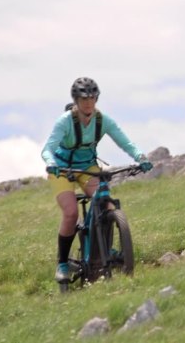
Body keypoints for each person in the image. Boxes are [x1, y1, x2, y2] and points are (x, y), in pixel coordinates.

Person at [41, 77, 153, 283]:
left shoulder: (103, 120)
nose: (89, 102)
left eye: (93, 97)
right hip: (62, 168)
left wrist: (140, 157)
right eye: (84, 98)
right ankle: (63, 264)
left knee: (107, 204)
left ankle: (105, 246)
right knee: (71, 212)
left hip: (87, 168)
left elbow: (124, 141)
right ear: (75, 100)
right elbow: (47, 148)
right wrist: (50, 162)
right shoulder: (65, 121)